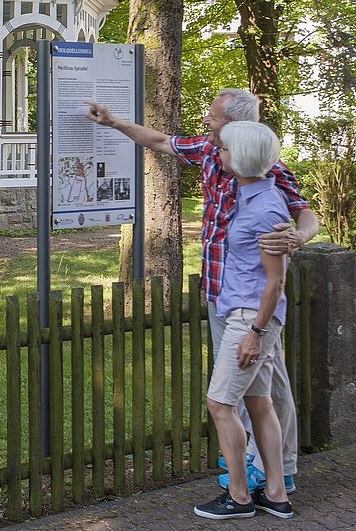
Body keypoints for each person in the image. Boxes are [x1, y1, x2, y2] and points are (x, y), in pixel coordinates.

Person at [85, 89, 319, 493]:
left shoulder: (269, 169)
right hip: (217, 288)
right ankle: (253, 462)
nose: (206, 122)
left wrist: (297, 238)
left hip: (253, 297)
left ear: (237, 128)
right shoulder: (210, 152)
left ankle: (281, 468)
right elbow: (159, 140)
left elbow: (307, 215)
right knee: (243, 383)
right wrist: (114, 122)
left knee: (267, 383)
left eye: (213, 118)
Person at [194, 121, 294, 519]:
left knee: (219, 404)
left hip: (249, 317)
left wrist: (255, 334)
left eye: (225, 149)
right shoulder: (250, 192)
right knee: (259, 401)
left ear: (241, 158)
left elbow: (275, 281)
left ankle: (238, 498)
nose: (219, 152)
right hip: (244, 311)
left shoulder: (266, 209)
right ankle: (276, 494)